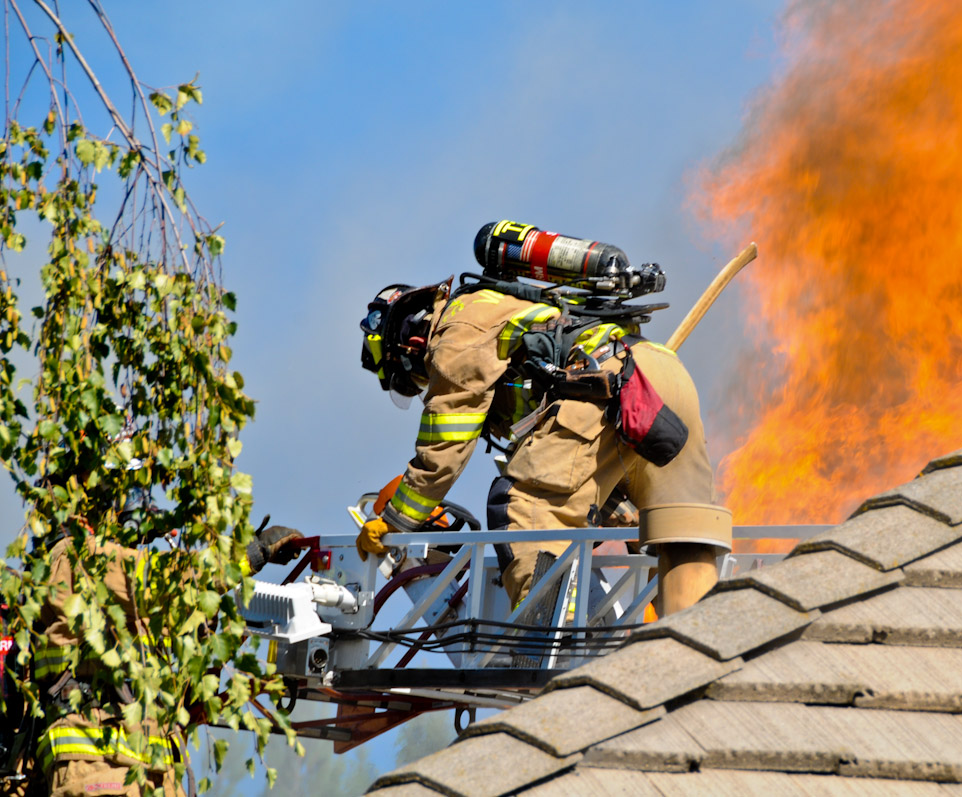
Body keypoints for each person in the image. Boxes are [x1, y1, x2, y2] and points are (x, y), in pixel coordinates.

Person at [355, 233, 731, 616]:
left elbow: (445, 447)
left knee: (528, 510)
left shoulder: (456, 332)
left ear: (408, 346)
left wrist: (396, 522)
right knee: (680, 534)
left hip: (603, 385)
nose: (425, 382)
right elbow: (582, 473)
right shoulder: (504, 305)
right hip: (659, 377)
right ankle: (697, 637)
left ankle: (555, 639)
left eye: (413, 378)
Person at [31, 491, 300, 797]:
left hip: (149, 773)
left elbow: (184, 697)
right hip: (98, 769)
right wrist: (250, 554)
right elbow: (159, 579)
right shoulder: (72, 557)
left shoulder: (124, 611)